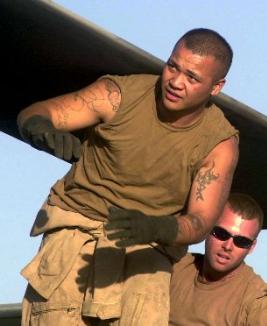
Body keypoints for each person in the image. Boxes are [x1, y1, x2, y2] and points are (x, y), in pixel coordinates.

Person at [18, 28, 239, 325]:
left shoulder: (219, 143)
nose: (176, 82)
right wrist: (39, 127)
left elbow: (200, 222)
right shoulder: (119, 95)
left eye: (192, 77)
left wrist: (155, 227)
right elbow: (40, 112)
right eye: (173, 66)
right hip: (77, 238)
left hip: (145, 256)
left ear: (216, 87)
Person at [169, 193, 267, 326]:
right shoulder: (177, 267)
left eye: (241, 241)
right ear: (207, 229)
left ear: (251, 247)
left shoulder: (256, 300)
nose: (228, 246)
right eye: (221, 234)